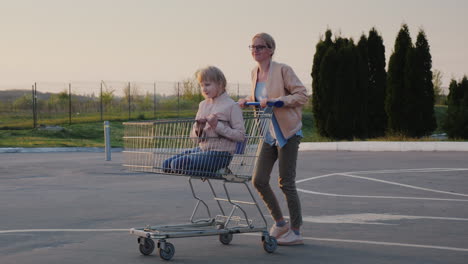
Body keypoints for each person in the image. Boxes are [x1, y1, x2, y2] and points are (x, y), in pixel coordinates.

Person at [238, 33, 308, 245]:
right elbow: (261, 99)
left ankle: (295, 231)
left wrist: (280, 101)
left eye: (260, 47)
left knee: (286, 183)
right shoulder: (254, 72)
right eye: (252, 47)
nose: (255, 50)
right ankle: (280, 223)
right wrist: (246, 100)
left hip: (287, 133)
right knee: (259, 180)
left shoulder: (282, 70)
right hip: (267, 134)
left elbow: (302, 95)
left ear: (270, 49)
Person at [163, 66, 245, 177]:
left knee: (177, 164)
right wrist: (199, 128)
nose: (204, 89)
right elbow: (194, 139)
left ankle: (220, 173)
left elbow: (240, 136)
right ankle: (216, 172)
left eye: (207, 85)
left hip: (221, 154)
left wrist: (217, 125)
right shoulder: (203, 105)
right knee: (166, 165)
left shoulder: (232, 106)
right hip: (203, 150)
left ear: (220, 84)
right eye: (201, 85)